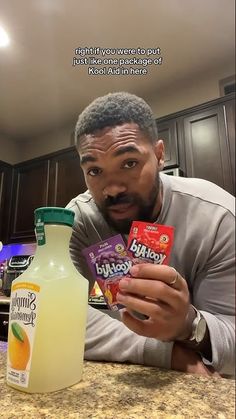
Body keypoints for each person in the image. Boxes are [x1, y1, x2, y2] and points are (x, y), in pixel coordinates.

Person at [66, 92, 235, 377]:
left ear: (159, 155)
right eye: (95, 170)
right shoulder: (79, 221)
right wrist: (164, 353)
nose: (112, 189)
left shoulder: (218, 217)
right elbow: (51, 315)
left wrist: (187, 324)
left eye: (129, 163)